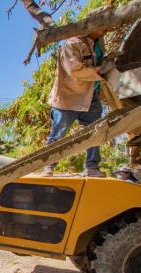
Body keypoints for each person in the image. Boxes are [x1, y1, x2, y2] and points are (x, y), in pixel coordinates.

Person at [43, 7, 109, 178]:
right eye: (103, 25)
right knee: (58, 134)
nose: (106, 29)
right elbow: (74, 70)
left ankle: (92, 167)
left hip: (90, 97)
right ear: (93, 25)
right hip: (68, 99)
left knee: (95, 132)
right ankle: (48, 166)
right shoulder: (72, 44)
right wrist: (98, 71)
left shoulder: (98, 43)